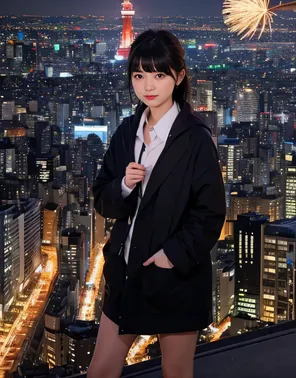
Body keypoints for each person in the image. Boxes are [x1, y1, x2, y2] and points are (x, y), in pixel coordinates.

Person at [88, 29, 226, 378]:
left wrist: (171, 256)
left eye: (159, 74)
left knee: (176, 373)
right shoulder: (126, 132)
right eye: (139, 75)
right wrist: (123, 185)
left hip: (176, 277)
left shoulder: (195, 139)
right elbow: (102, 196)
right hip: (126, 272)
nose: (148, 85)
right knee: (101, 370)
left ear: (179, 76)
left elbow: (210, 213)